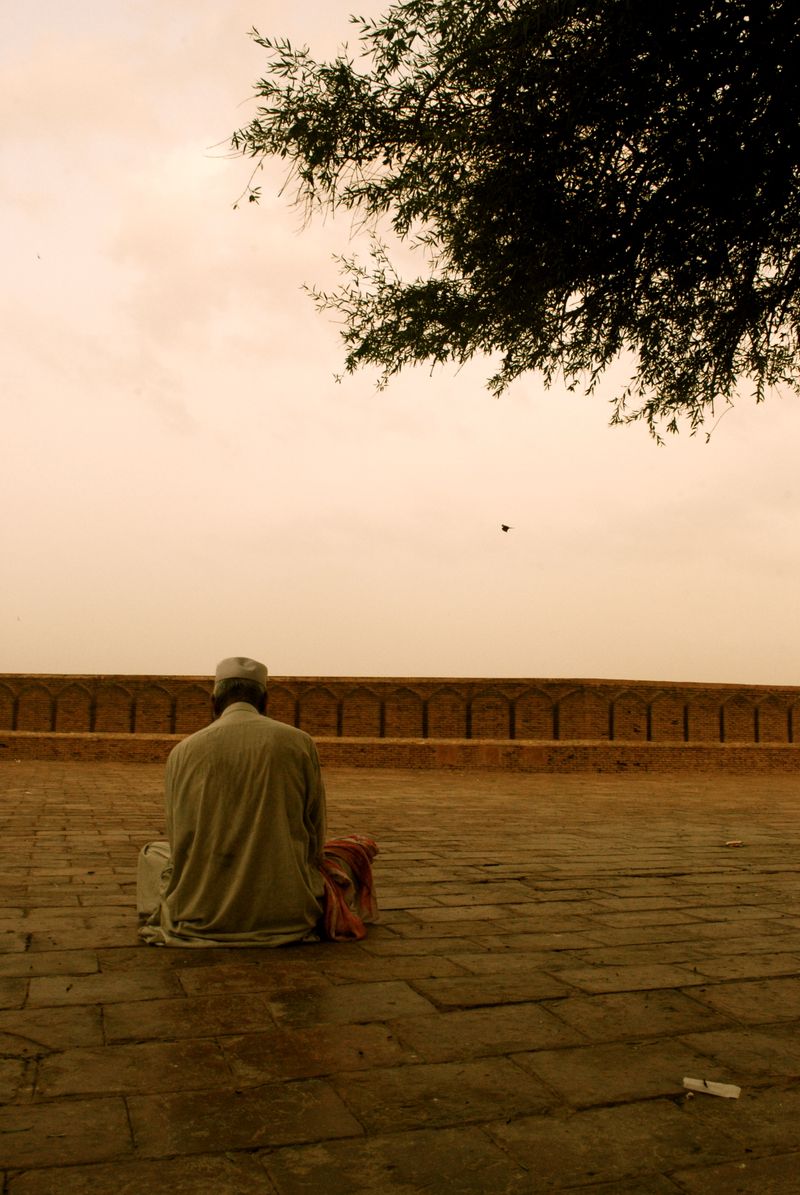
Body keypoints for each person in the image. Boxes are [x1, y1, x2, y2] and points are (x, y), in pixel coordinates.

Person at [137, 656, 377, 947]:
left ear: (214, 702)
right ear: (264, 701)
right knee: (350, 852)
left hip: (199, 912)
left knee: (152, 853)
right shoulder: (298, 742)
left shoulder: (183, 752)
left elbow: (179, 840)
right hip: (288, 912)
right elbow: (315, 831)